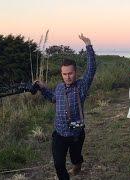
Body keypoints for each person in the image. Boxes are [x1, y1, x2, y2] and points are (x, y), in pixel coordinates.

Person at [35, 34, 96, 180]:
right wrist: (42, 88)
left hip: (76, 135)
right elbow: (53, 98)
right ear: (61, 74)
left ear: (75, 72)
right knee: (58, 164)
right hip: (59, 134)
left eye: (70, 73)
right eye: (64, 74)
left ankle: (77, 162)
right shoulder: (59, 87)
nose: (67, 76)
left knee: (75, 158)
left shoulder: (82, 86)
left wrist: (88, 45)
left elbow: (92, 68)